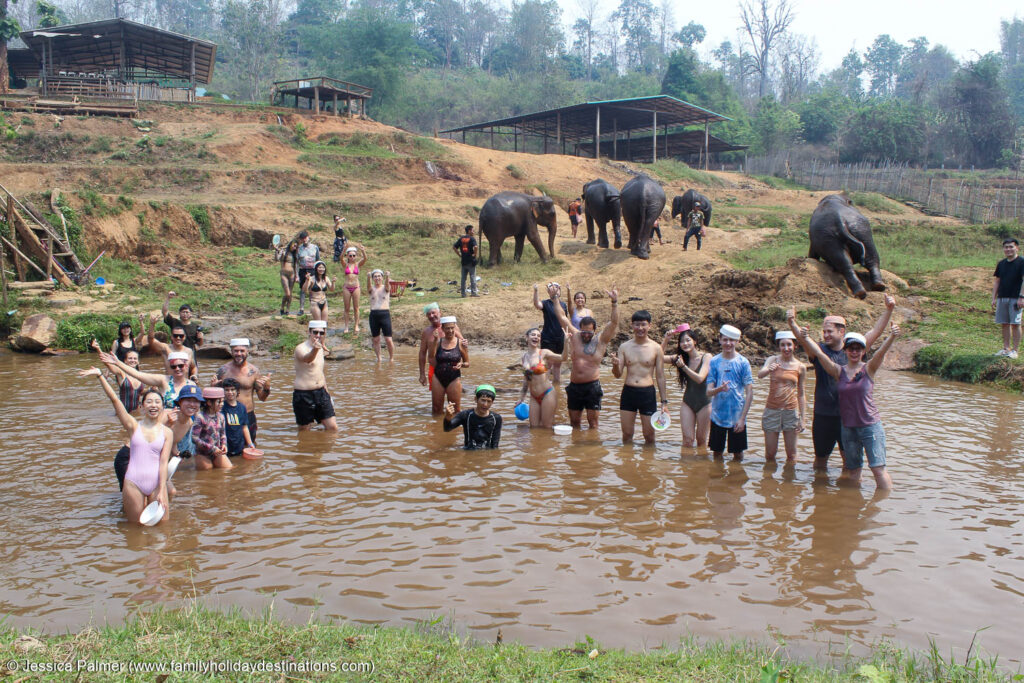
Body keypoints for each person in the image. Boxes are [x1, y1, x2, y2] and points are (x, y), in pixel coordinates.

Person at [787, 296, 895, 471]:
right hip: (823, 414)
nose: (826, 335)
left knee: (849, 461)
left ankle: (848, 491)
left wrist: (889, 309)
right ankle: (820, 493)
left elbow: (876, 331)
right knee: (820, 459)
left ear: (842, 332)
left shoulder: (854, 350)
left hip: (849, 417)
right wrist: (792, 322)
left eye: (830, 331)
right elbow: (804, 340)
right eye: (824, 332)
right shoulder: (820, 350)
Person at [794, 324, 901, 490]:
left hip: (870, 426)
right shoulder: (839, 371)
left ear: (863, 352)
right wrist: (806, 338)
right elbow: (820, 355)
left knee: (878, 469)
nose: (854, 352)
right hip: (848, 428)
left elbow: (881, 353)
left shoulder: (869, 369)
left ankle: (883, 506)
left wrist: (892, 337)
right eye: (851, 348)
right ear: (846, 351)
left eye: (858, 349)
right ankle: (852, 506)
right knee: (853, 471)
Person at [79, 368, 172, 525]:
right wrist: (100, 376)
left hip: (156, 483)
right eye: (149, 402)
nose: (153, 405)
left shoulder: (167, 432)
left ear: (162, 407)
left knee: (163, 526)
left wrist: (162, 490)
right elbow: (115, 400)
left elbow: (163, 463)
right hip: (133, 482)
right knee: (136, 529)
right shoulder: (133, 426)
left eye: (157, 402)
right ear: (142, 407)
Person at [552, 287, 619, 429]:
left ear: (594, 330)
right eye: (584, 331)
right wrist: (555, 298)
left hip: (592, 387)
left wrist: (614, 302)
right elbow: (562, 317)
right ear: (580, 328)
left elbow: (613, 323)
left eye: (589, 332)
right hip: (575, 386)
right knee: (574, 423)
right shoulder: (575, 336)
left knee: (593, 424)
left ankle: (591, 449)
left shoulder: (601, 340)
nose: (586, 334)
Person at [610, 310, 669, 444]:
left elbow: (660, 376)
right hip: (628, 393)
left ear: (650, 326)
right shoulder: (624, 347)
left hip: (647, 394)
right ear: (632, 326)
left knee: (649, 435)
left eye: (643, 324)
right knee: (627, 434)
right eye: (637, 325)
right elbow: (618, 375)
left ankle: (648, 464)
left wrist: (664, 402)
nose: (640, 328)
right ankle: (627, 462)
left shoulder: (656, 348)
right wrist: (615, 365)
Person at [757, 330, 806, 463]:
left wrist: (803, 418)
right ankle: (769, 481)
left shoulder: (800, 367)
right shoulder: (772, 360)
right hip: (772, 410)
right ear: (778, 346)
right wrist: (769, 369)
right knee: (770, 454)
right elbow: (760, 375)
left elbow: (801, 393)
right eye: (782, 345)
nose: (786, 348)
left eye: (789, 345)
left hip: (791, 412)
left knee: (792, 455)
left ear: (794, 345)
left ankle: (790, 482)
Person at [706, 325, 754, 461]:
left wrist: (742, 418)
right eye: (725, 340)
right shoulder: (714, 362)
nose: (728, 343)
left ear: (738, 342)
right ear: (720, 340)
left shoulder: (743, 362)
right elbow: (709, 392)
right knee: (717, 453)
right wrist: (719, 389)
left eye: (732, 340)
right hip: (717, 415)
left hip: (737, 415)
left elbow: (749, 392)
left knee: (738, 455)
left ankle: (736, 479)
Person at [661, 323, 712, 448]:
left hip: (705, 404)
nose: (685, 344)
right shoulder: (680, 358)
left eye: (688, 340)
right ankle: (686, 467)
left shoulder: (706, 357)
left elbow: (700, 378)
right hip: (688, 402)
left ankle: (699, 467)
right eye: (682, 342)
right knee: (687, 441)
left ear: (695, 341)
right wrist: (666, 340)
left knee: (701, 441)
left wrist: (683, 367)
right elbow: (659, 357)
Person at [211, 338, 270, 443]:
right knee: (225, 446)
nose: (239, 354)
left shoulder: (254, 371)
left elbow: (262, 398)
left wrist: (267, 388)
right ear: (231, 352)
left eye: (242, 351)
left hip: (247, 415)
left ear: (247, 351)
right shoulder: (223, 371)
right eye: (236, 351)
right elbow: (213, 400)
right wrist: (212, 388)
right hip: (226, 414)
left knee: (250, 445)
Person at [99, 349, 196, 408]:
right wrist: (118, 363)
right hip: (167, 428)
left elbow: (196, 409)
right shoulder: (163, 380)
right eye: (173, 366)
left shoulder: (192, 385)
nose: (177, 369)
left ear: (187, 366)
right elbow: (137, 374)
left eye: (180, 366)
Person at [293, 320, 338, 431]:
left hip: (321, 393)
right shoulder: (300, 348)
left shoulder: (321, 348)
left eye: (321, 333)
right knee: (305, 431)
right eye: (315, 332)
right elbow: (307, 359)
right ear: (309, 332)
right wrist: (315, 349)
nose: (318, 335)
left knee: (332, 427)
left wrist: (328, 394)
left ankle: (325, 448)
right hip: (303, 394)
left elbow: (320, 373)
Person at [518, 328, 561, 429]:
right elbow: (526, 381)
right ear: (527, 337)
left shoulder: (544, 353)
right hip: (533, 396)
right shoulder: (524, 357)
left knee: (547, 427)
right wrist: (521, 398)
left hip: (547, 393)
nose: (536, 337)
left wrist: (567, 343)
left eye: (538, 336)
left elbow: (563, 357)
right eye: (533, 335)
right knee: (534, 427)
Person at [429, 315, 469, 414]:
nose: (450, 331)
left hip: (454, 378)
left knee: (455, 410)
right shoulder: (438, 342)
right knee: (436, 409)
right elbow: (431, 357)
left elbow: (467, 363)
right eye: (447, 328)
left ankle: (454, 428)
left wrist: (462, 364)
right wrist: (434, 341)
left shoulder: (460, 343)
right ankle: (437, 428)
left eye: (452, 328)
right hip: (438, 377)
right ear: (442, 329)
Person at [418, 303, 463, 390]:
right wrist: (422, 374)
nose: (431, 316)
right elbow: (422, 353)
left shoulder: (451, 327)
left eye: (433, 313)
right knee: (436, 400)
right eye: (429, 314)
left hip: (452, 368)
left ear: (440, 313)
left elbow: (462, 344)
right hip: (434, 369)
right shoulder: (426, 332)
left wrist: (462, 362)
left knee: (453, 398)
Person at [992, 237, 1024, 358]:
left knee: (1015, 323)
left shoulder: (1022, 262)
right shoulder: (1001, 264)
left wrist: (1022, 297)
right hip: (1002, 297)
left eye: (1011, 247)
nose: (1008, 249)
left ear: (1017, 248)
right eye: (1006, 247)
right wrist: (994, 297)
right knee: (1004, 323)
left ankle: (1015, 350)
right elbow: (997, 281)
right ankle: (1006, 348)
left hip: (1016, 298)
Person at [443, 384, 502, 450]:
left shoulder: (496, 418)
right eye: (483, 400)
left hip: (486, 453)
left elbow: (495, 445)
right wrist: (448, 417)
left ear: (492, 402)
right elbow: (447, 429)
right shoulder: (465, 415)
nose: (485, 404)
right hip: (468, 451)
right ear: (476, 399)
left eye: (489, 401)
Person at [533, 282, 567, 383]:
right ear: (548, 292)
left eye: (557, 288)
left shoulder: (563, 305)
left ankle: (557, 387)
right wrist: (536, 291)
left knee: (558, 364)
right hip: (548, 337)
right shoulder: (546, 303)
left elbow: (565, 320)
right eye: (551, 289)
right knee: (548, 364)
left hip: (560, 337)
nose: (555, 290)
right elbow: (537, 305)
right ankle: (545, 387)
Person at [148, 313, 197, 379]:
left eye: (181, 336)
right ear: (171, 337)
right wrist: (152, 324)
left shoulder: (189, 351)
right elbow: (151, 340)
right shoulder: (165, 348)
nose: (178, 338)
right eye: (175, 336)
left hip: (184, 384)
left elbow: (193, 367)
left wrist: (194, 375)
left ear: (184, 337)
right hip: (170, 383)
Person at [193, 387, 232, 470]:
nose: (222, 404)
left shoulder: (221, 416)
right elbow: (194, 438)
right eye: (219, 402)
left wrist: (224, 444)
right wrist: (212, 448)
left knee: (229, 469)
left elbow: (223, 433)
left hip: (217, 451)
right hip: (202, 453)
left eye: (222, 401)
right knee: (208, 472)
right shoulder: (200, 417)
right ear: (209, 402)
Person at [221, 378, 255, 458]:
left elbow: (244, 427)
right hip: (225, 446)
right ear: (223, 392)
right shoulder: (221, 407)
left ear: (237, 391)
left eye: (233, 390)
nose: (230, 392)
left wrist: (250, 444)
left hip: (239, 446)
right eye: (227, 390)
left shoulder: (242, 408)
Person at [367, 269, 394, 362]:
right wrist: (368, 277)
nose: (377, 278)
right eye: (375, 276)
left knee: (388, 339)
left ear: (382, 277)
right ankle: (379, 359)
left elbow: (387, 286)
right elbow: (368, 286)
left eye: (379, 276)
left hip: (385, 314)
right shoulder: (371, 289)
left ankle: (391, 358)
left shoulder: (386, 288)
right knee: (376, 339)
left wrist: (387, 276)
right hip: (374, 315)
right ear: (373, 278)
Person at [341, 244, 368, 334]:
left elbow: (365, 259)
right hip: (346, 287)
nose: (352, 257)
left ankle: (356, 325)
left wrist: (363, 250)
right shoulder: (345, 264)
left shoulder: (358, 264)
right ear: (347, 256)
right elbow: (341, 258)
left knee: (356, 308)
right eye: (350, 255)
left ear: (356, 256)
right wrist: (344, 249)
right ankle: (346, 326)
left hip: (356, 287)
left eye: (354, 255)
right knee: (347, 308)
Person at [296, 230, 321, 316]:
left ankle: (312, 308)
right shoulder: (299, 249)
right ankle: (301, 309)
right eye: (302, 239)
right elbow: (296, 262)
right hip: (303, 270)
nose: (304, 240)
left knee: (312, 289)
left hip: (313, 270)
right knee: (303, 290)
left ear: (308, 237)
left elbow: (318, 260)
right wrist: (296, 275)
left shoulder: (315, 247)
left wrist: (319, 272)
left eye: (305, 238)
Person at [303, 260, 334, 324]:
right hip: (315, 302)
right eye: (319, 267)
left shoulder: (326, 278)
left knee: (324, 324)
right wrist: (307, 280)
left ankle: (324, 334)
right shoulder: (311, 279)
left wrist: (333, 282)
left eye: (323, 267)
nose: (321, 269)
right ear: (316, 268)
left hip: (324, 302)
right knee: (318, 324)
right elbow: (304, 290)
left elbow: (331, 289)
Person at [453, 225, 479, 297]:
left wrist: (459, 254)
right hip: (471, 261)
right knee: (472, 277)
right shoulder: (472, 239)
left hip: (463, 261)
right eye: (473, 230)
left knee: (463, 278)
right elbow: (476, 247)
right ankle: (473, 293)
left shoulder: (461, 238)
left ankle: (463, 294)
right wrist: (475, 254)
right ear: (469, 231)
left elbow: (454, 247)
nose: (473, 232)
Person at [277, 238, 299, 315]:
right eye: (294, 246)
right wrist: (277, 251)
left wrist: (297, 276)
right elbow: (277, 258)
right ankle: (282, 307)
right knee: (287, 293)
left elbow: (296, 266)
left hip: (292, 274)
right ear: (291, 244)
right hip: (284, 274)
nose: (294, 247)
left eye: (296, 246)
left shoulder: (294, 255)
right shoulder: (283, 251)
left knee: (290, 293)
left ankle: (287, 310)